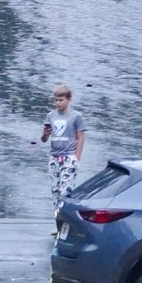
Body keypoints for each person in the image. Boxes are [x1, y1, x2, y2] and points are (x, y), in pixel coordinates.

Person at [40, 83, 85, 211]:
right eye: (56, 100)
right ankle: (58, 223)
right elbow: (44, 139)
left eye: (61, 100)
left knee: (65, 191)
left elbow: (81, 136)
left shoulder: (76, 116)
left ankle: (65, 222)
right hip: (54, 157)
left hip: (69, 157)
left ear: (68, 99)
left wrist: (77, 157)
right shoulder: (51, 116)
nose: (58, 103)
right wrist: (44, 135)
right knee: (55, 191)